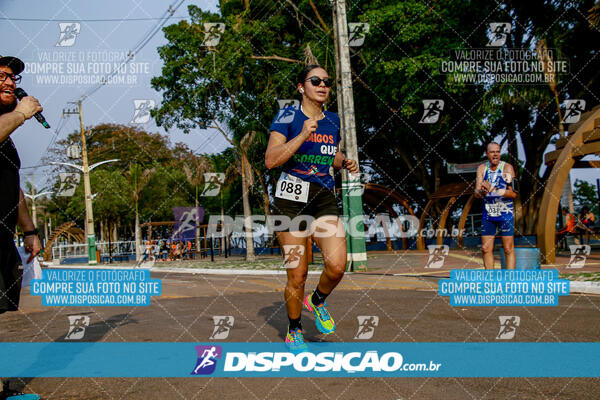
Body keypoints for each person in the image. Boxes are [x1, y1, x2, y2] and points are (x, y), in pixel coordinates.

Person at [265, 64, 359, 352]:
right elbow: (271, 159)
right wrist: (302, 135)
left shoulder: (333, 120)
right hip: (290, 199)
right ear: (301, 87)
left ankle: (317, 300)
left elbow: (329, 152)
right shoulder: (288, 116)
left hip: (322, 197)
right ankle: (294, 329)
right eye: (315, 80)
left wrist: (343, 162)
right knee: (298, 274)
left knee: (337, 264)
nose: (322, 85)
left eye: (327, 81)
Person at [0, 55, 42, 400]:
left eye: (13, 77)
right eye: (1, 76)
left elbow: (12, 187)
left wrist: (29, 231)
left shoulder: (7, 130)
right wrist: (22, 114)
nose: (10, 82)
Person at [474, 142, 518, 269]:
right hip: (489, 213)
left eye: (497, 152)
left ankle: (510, 282)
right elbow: (476, 192)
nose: (495, 154)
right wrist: (481, 191)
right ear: (487, 154)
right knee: (486, 248)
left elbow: (513, 194)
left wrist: (493, 189)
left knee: (508, 248)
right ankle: (491, 281)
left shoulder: (507, 168)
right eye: (492, 152)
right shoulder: (482, 168)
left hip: (505, 213)